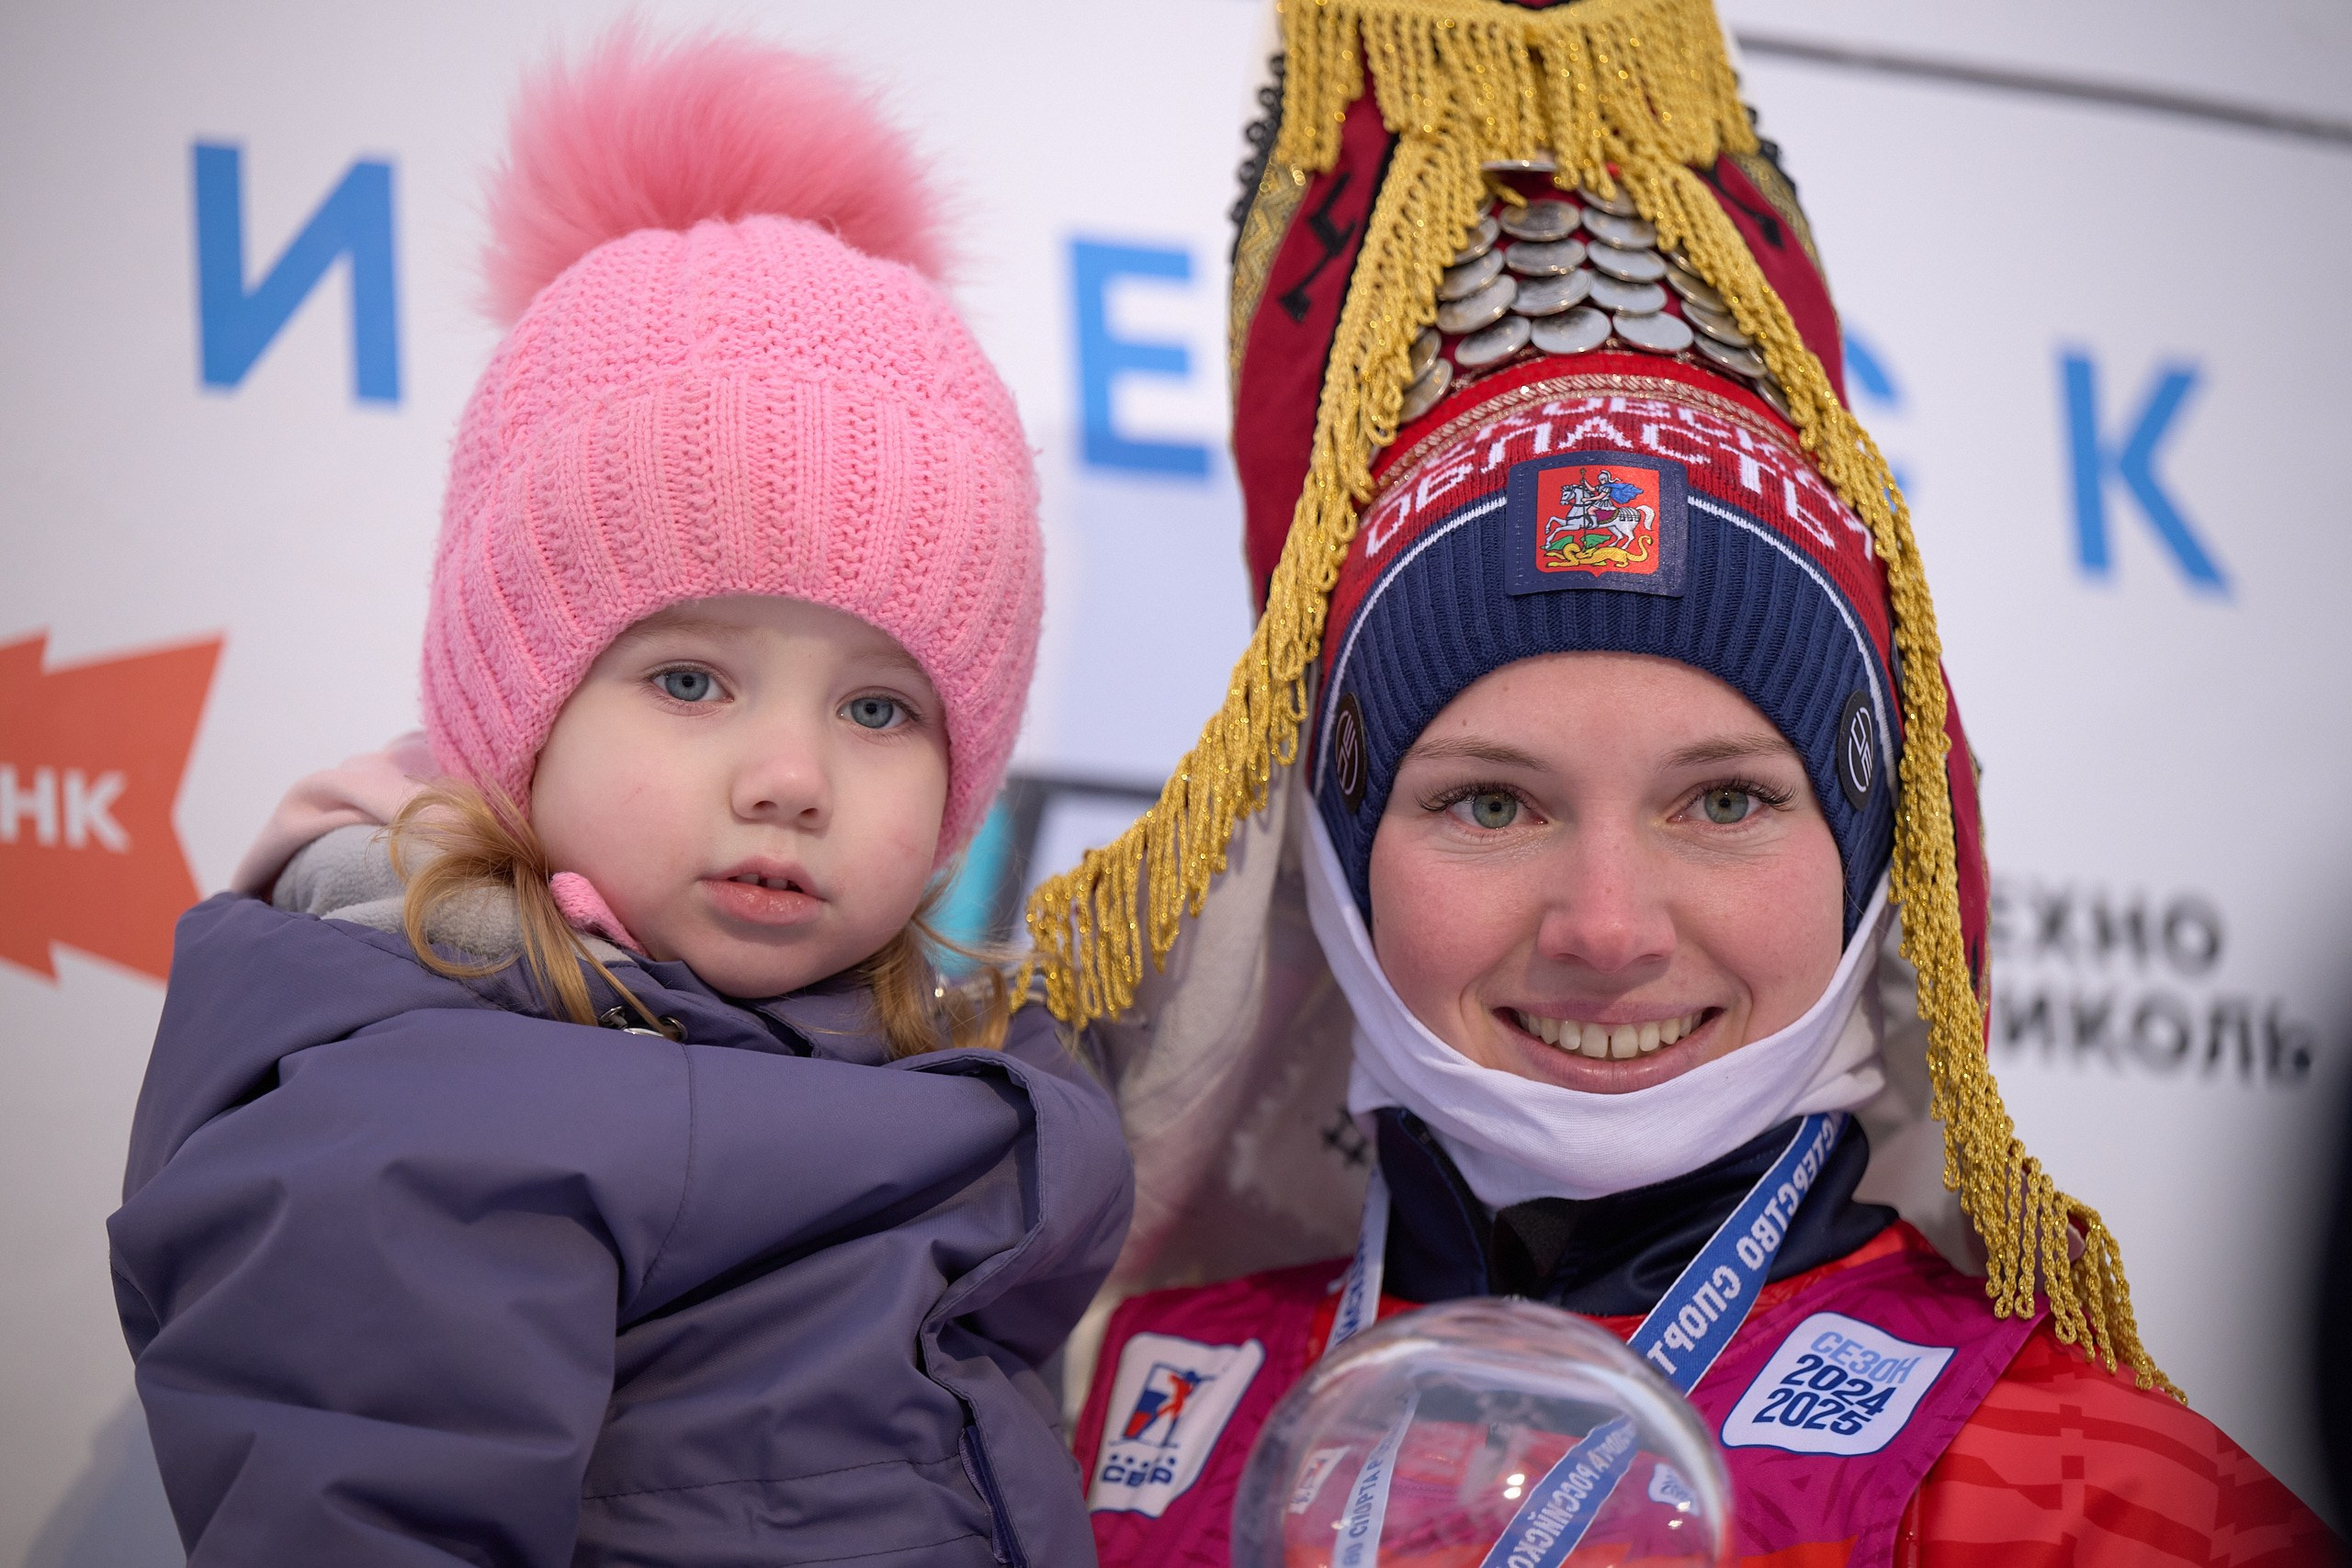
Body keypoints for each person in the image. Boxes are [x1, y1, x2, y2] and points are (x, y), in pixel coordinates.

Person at [1020, 1, 2344, 1562]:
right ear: (1337, 857)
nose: (1606, 927)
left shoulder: (2092, 1495)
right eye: (1490, 804)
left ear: (1878, 853)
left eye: (1724, 803)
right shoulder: (1094, 1412)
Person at [107, 28, 1131, 1568]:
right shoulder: (423, 1113)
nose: (790, 780)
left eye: (878, 709)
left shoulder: (960, 1076)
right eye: (691, 681)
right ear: (513, 707)